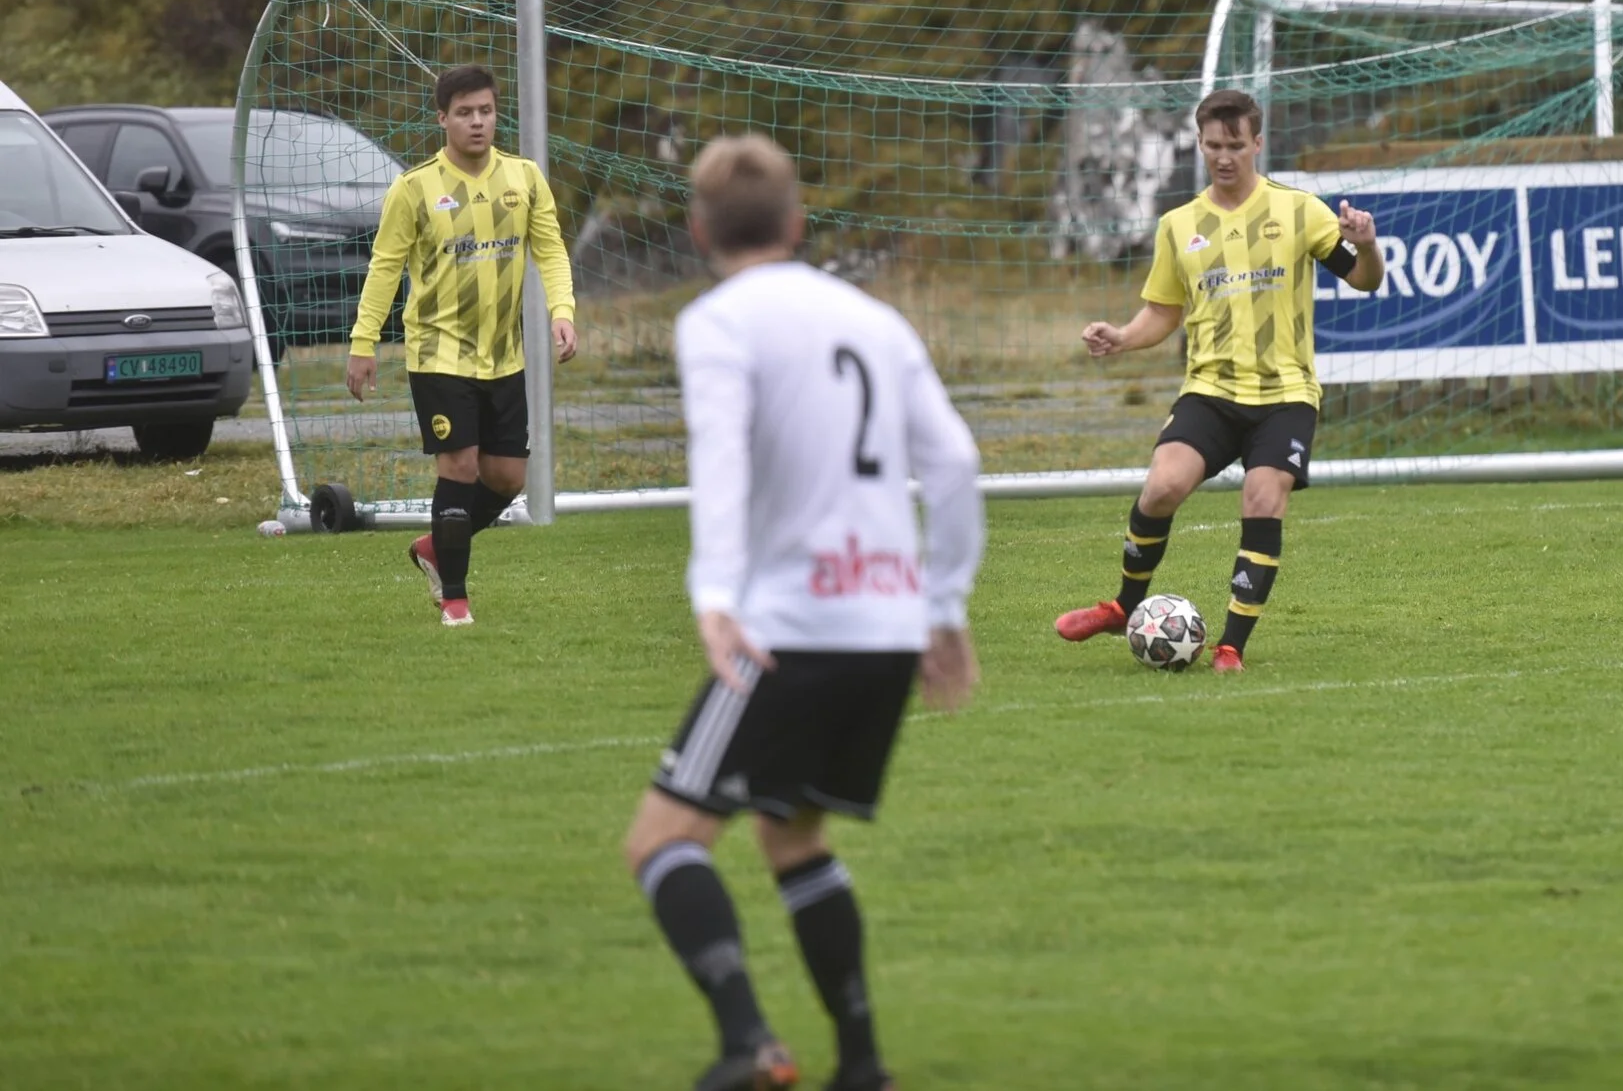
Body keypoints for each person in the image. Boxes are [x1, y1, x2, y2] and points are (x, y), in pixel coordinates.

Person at [623, 134, 985, 1091]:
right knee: (792, 836)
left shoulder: (718, 322)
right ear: (797, 221)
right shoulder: (874, 318)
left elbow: (720, 459)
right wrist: (943, 605)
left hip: (789, 631)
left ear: (698, 229)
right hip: (887, 628)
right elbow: (954, 462)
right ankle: (861, 1064)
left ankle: (749, 1043)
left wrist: (714, 593)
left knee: (662, 841)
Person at [1053, 89, 1383, 670]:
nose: (1224, 156)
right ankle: (1124, 606)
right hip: (1210, 390)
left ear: (1257, 143)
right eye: (1213, 146)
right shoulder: (1179, 225)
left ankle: (1231, 646)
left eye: (1235, 145)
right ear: (1200, 145)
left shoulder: (1299, 211)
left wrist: (1368, 244)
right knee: (1162, 487)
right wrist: (1122, 337)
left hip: (1285, 395)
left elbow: (1364, 279)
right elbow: (1163, 312)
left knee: (1263, 496)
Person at [347, 64, 577, 625]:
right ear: (442, 119)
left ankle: (434, 548)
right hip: (438, 353)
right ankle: (455, 600)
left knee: (508, 478)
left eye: (486, 111)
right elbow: (385, 267)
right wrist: (363, 342)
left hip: (504, 355)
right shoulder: (415, 188)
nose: (478, 122)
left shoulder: (524, 178)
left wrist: (562, 311)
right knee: (460, 465)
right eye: (465, 112)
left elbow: (550, 250)